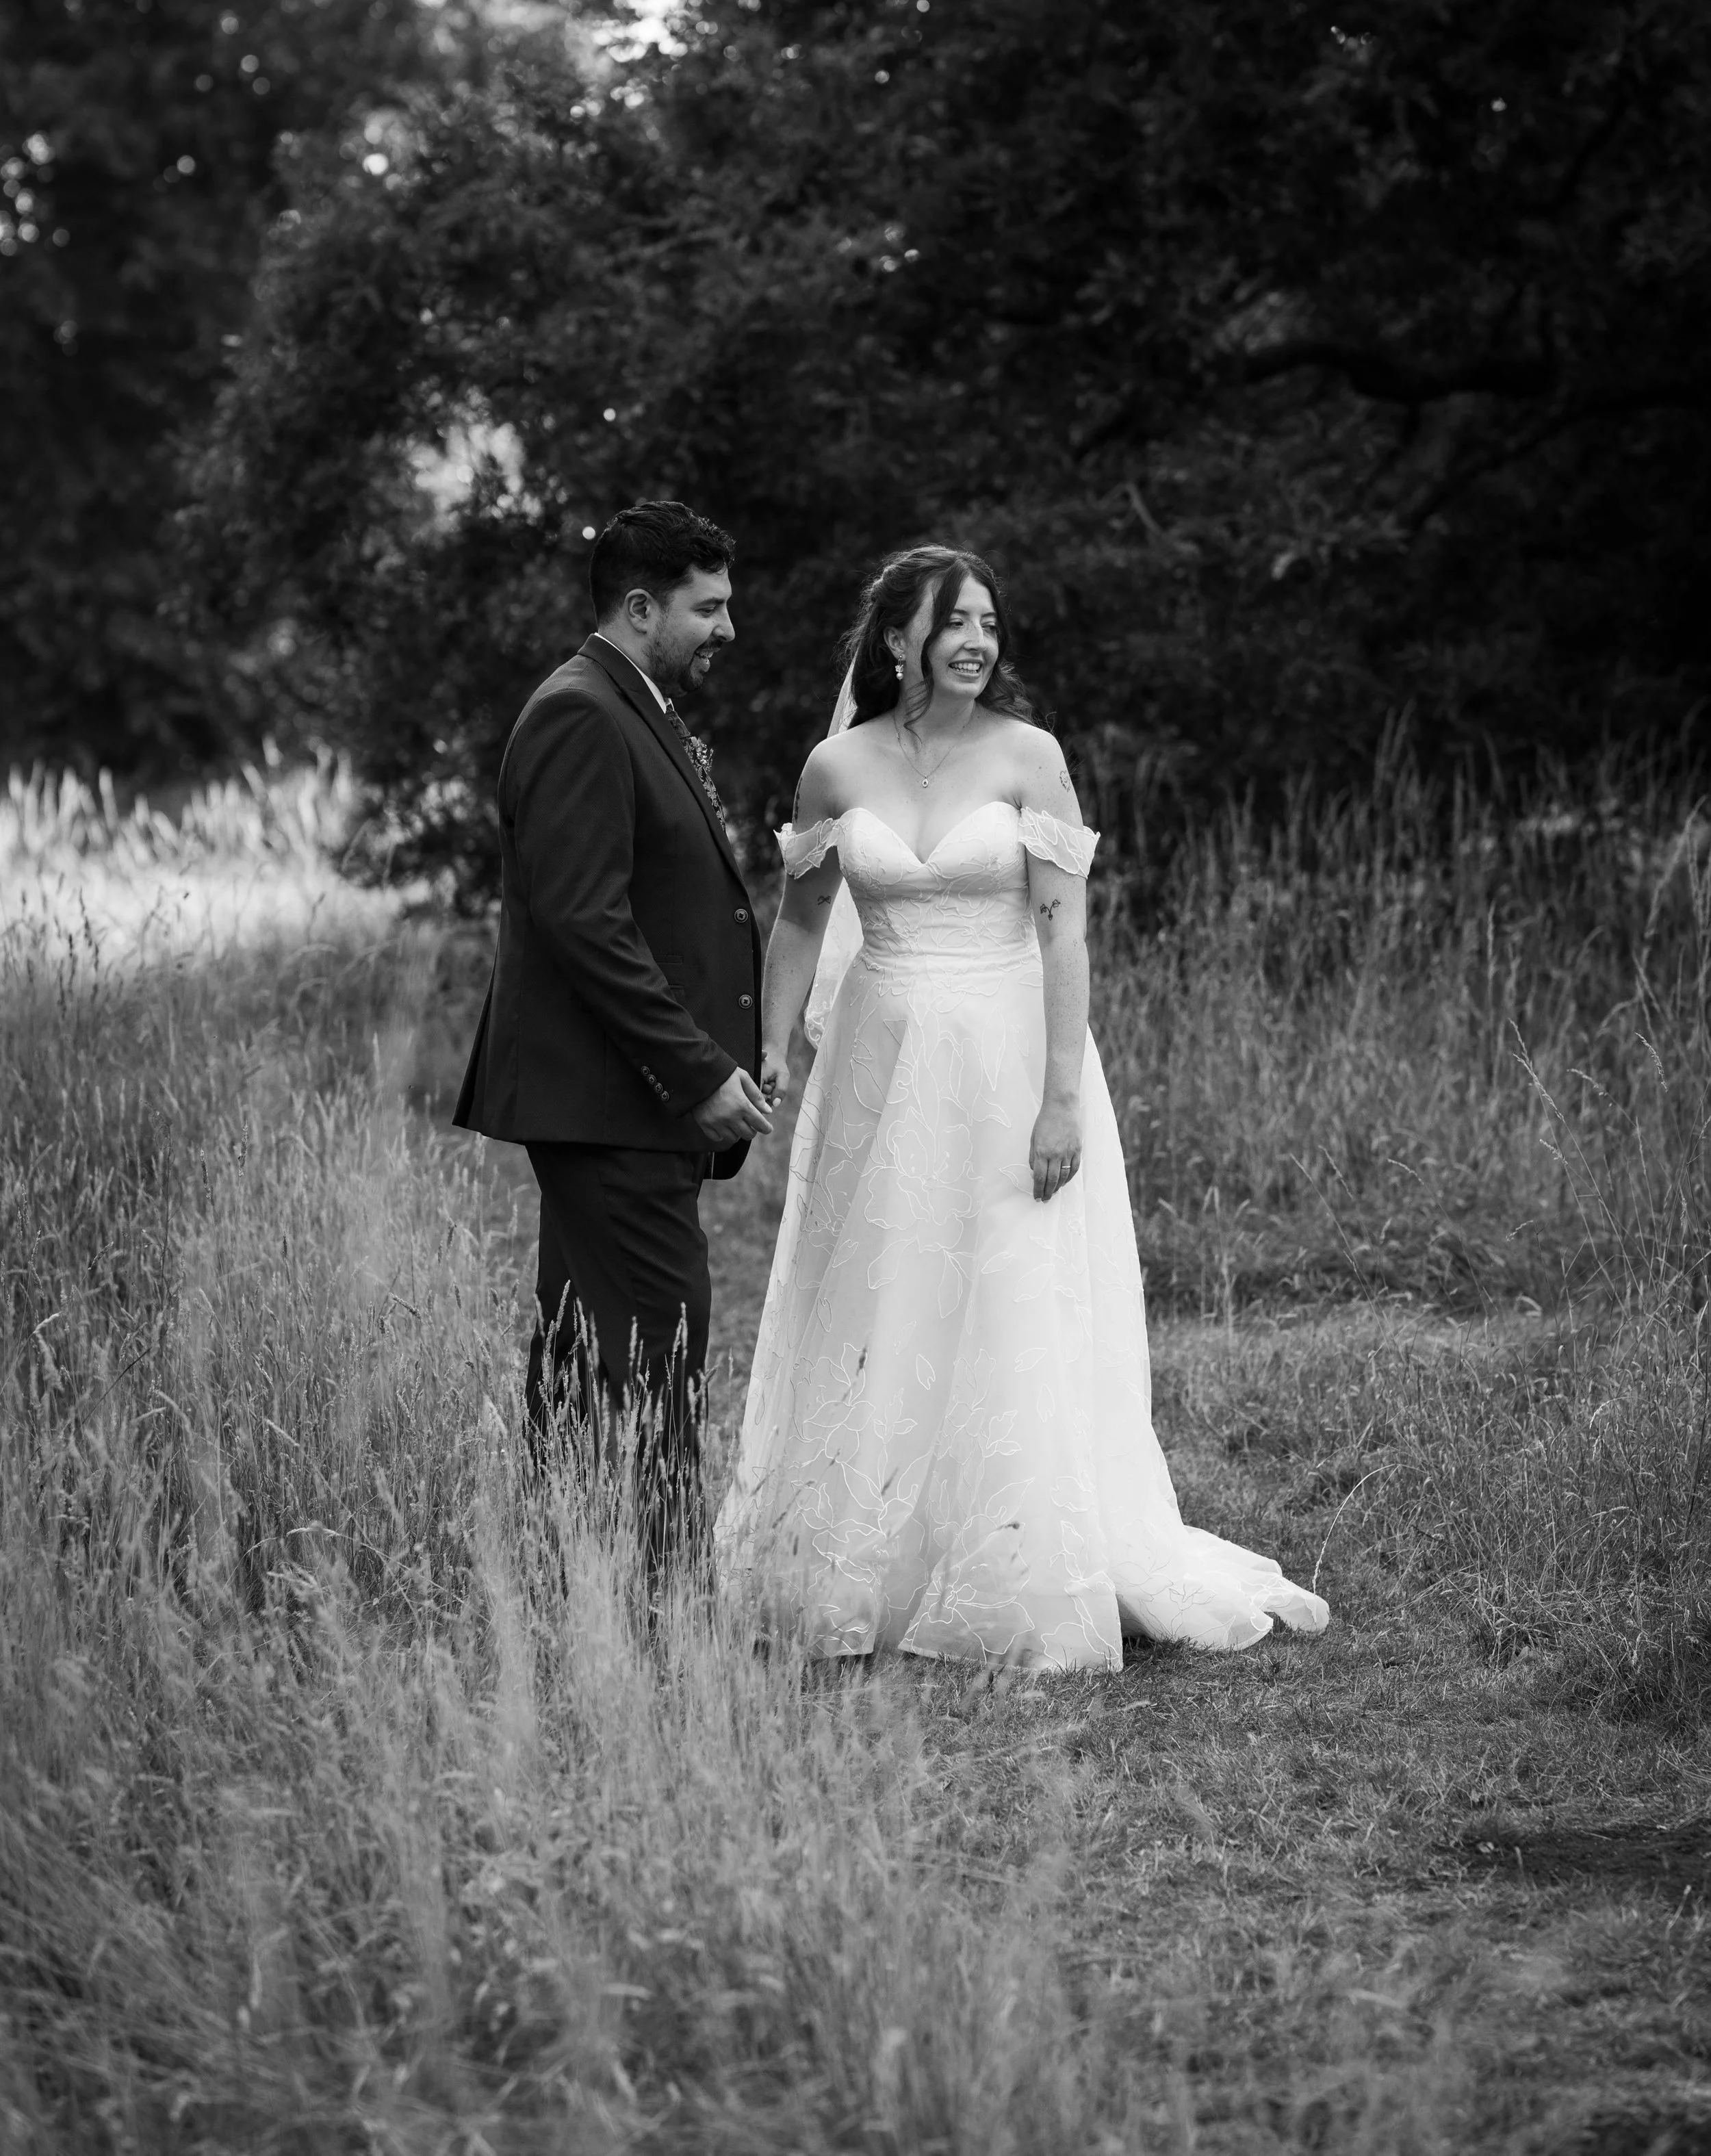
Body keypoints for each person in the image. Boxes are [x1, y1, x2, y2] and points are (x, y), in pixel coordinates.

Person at [716, 546, 1330, 1669]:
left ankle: (1015, 1558)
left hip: (1009, 1059)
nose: (978, 641)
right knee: (884, 1284)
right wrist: (772, 1042)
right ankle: (871, 1558)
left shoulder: (1030, 757)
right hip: (880, 1059)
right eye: (956, 621)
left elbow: (1064, 933)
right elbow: (802, 922)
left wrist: (1060, 1101)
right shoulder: (833, 768)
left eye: (991, 622)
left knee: (1005, 1289)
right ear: (899, 637)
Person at [454, 500, 771, 1567]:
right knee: (656, 1346)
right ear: (641, 607)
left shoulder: (624, 701)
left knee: (590, 1355)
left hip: (617, 1100)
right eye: (708, 607)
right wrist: (695, 1072)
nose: (727, 628)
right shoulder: (582, 712)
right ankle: (662, 1608)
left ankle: (566, 1582)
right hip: (616, 1097)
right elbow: (584, 921)